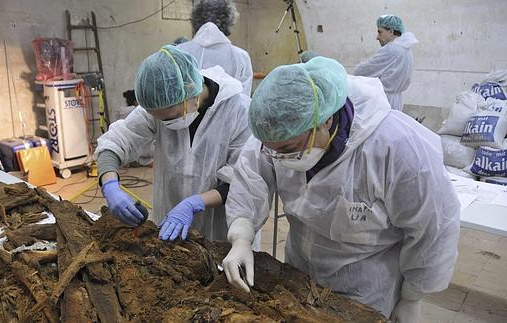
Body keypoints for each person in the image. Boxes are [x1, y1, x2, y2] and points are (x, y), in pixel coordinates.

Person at [221, 56, 460, 322]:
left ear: (325, 121)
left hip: (365, 289)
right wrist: (241, 236)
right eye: (272, 150)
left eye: (289, 150)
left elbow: (433, 229)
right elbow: (250, 180)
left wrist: (412, 296)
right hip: (298, 276)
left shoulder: (398, 147)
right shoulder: (279, 133)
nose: (279, 158)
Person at [95, 45, 251, 242]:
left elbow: (243, 181)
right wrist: (110, 186)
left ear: (190, 93)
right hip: (169, 225)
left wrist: (195, 203)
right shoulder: (160, 102)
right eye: (160, 119)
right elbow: (117, 140)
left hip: (220, 231)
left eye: (172, 117)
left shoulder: (239, 112)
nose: (167, 123)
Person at [177, 0, 253, 96]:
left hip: (184, 111)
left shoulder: (179, 52)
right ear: (229, 21)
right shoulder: (241, 57)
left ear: (195, 19)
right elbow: (243, 103)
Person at [353, 15, 418, 111]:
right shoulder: (407, 51)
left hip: (383, 102)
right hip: (396, 101)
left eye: (380, 32)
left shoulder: (391, 49)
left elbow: (361, 71)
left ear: (391, 31)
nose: (377, 37)